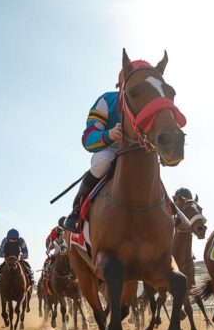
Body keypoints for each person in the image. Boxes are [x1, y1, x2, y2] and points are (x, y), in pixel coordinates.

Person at [62, 60, 155, 232]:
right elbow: (88, 138)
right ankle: (76, 211)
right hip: (110, 148)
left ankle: (170, 210)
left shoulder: (152, 103)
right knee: (103, 161)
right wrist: (109, 134)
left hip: (138, 150)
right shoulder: (106, 100)